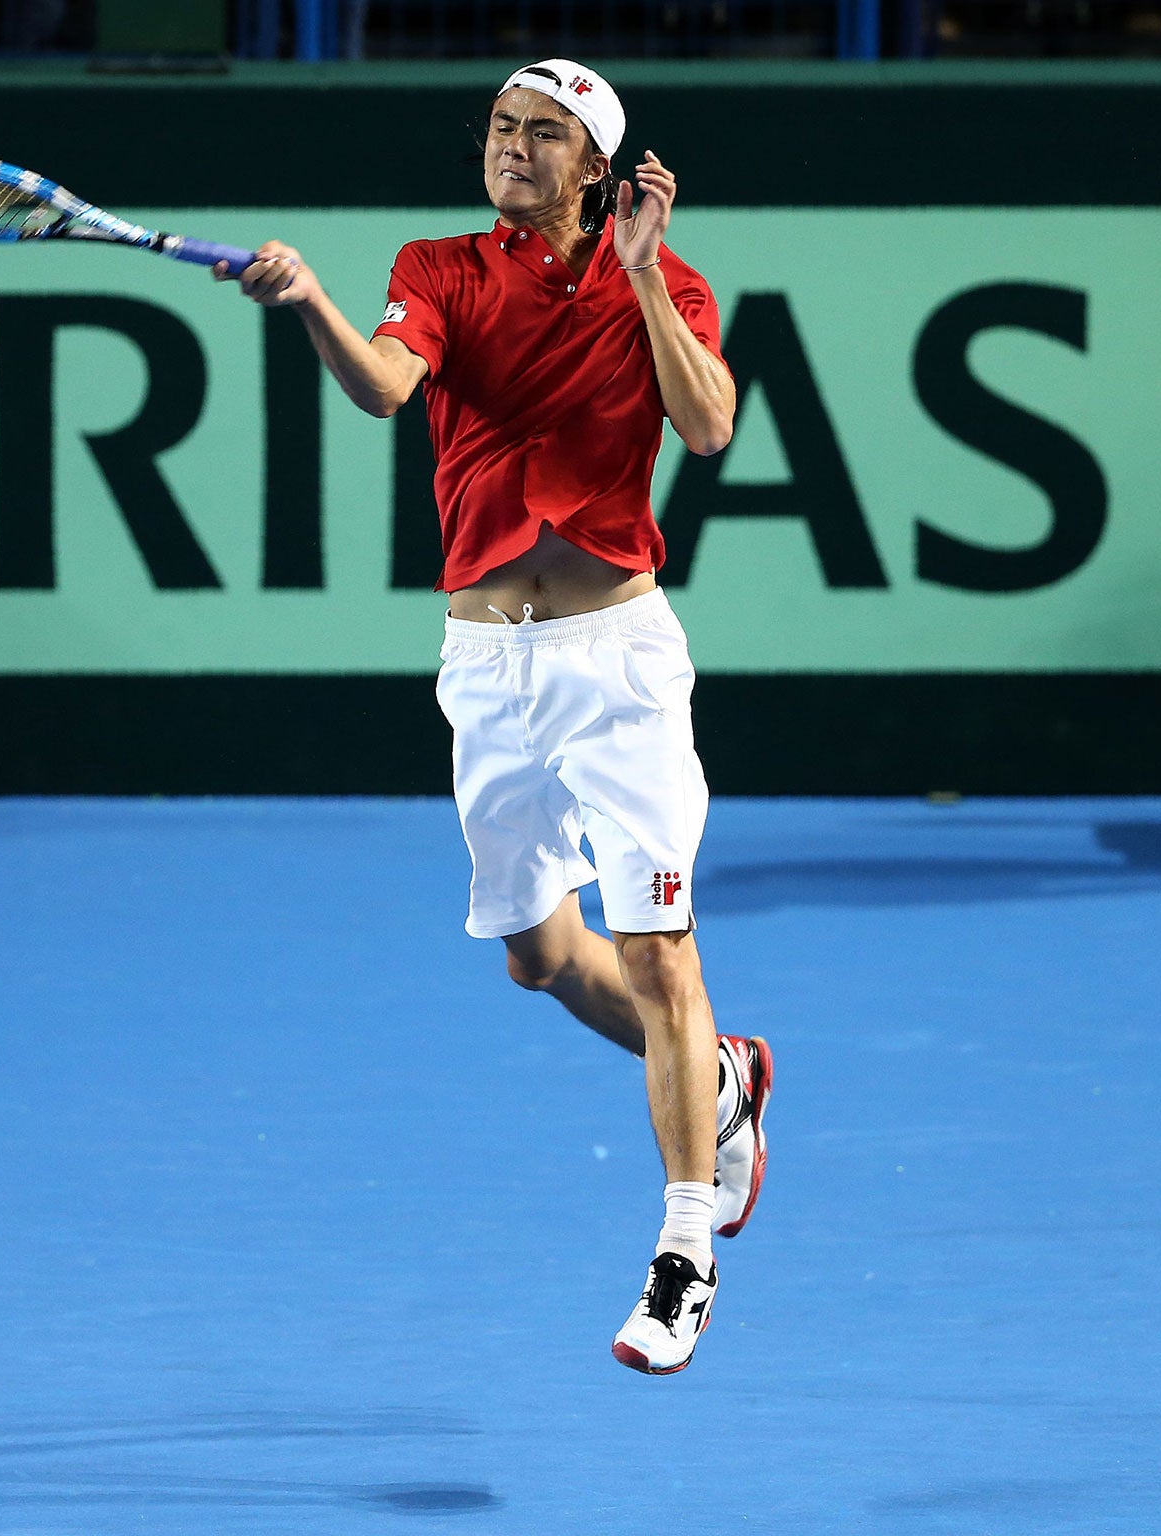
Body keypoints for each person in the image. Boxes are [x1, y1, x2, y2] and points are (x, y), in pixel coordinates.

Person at [222, 60, 769, 1375]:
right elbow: (385, 385)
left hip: (619, 664)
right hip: (488, 670)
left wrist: (642, 275)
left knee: (657, 953)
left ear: (598, 168)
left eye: (545, 136)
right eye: (503, 129)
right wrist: (307, 306)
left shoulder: (668, 279)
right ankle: (725, 1081)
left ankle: (683, 1253)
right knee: (538, 957)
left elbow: (708, 428)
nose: (512, 149)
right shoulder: (444, 267)